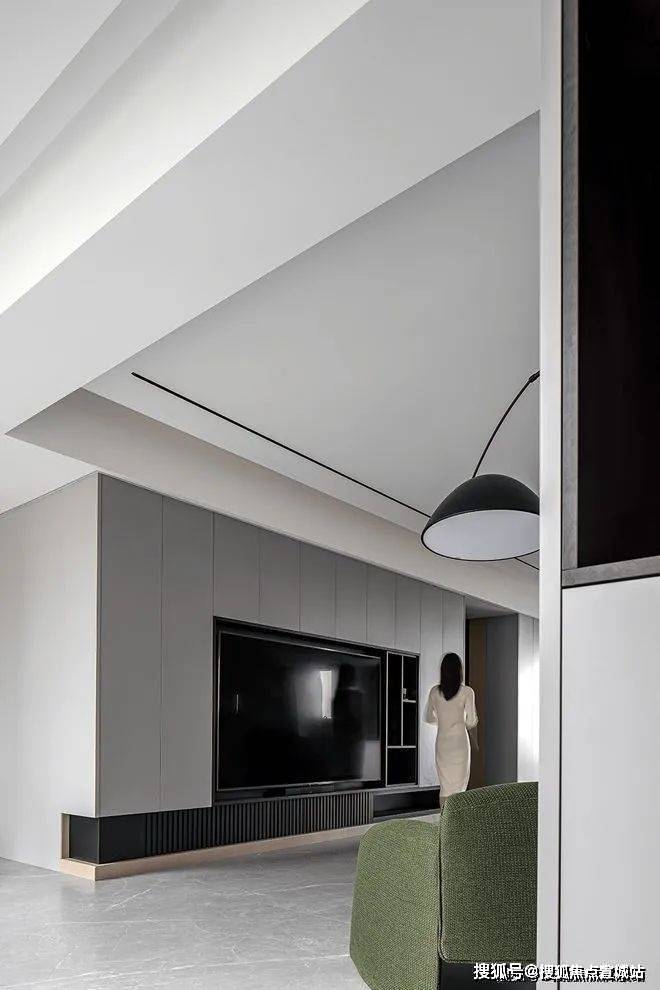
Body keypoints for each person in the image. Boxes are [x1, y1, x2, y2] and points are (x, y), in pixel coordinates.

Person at [424, 652, 478, 804]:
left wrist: (442, 722)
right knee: (460, 788)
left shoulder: (434, 691)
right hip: (460, 744)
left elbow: (428, 718)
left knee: (445, 788)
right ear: (459, 670)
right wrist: (462, 722)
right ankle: (457, 818)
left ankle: (444, 817)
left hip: (442, 744)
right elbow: (471, 721)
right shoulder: (467, 692)